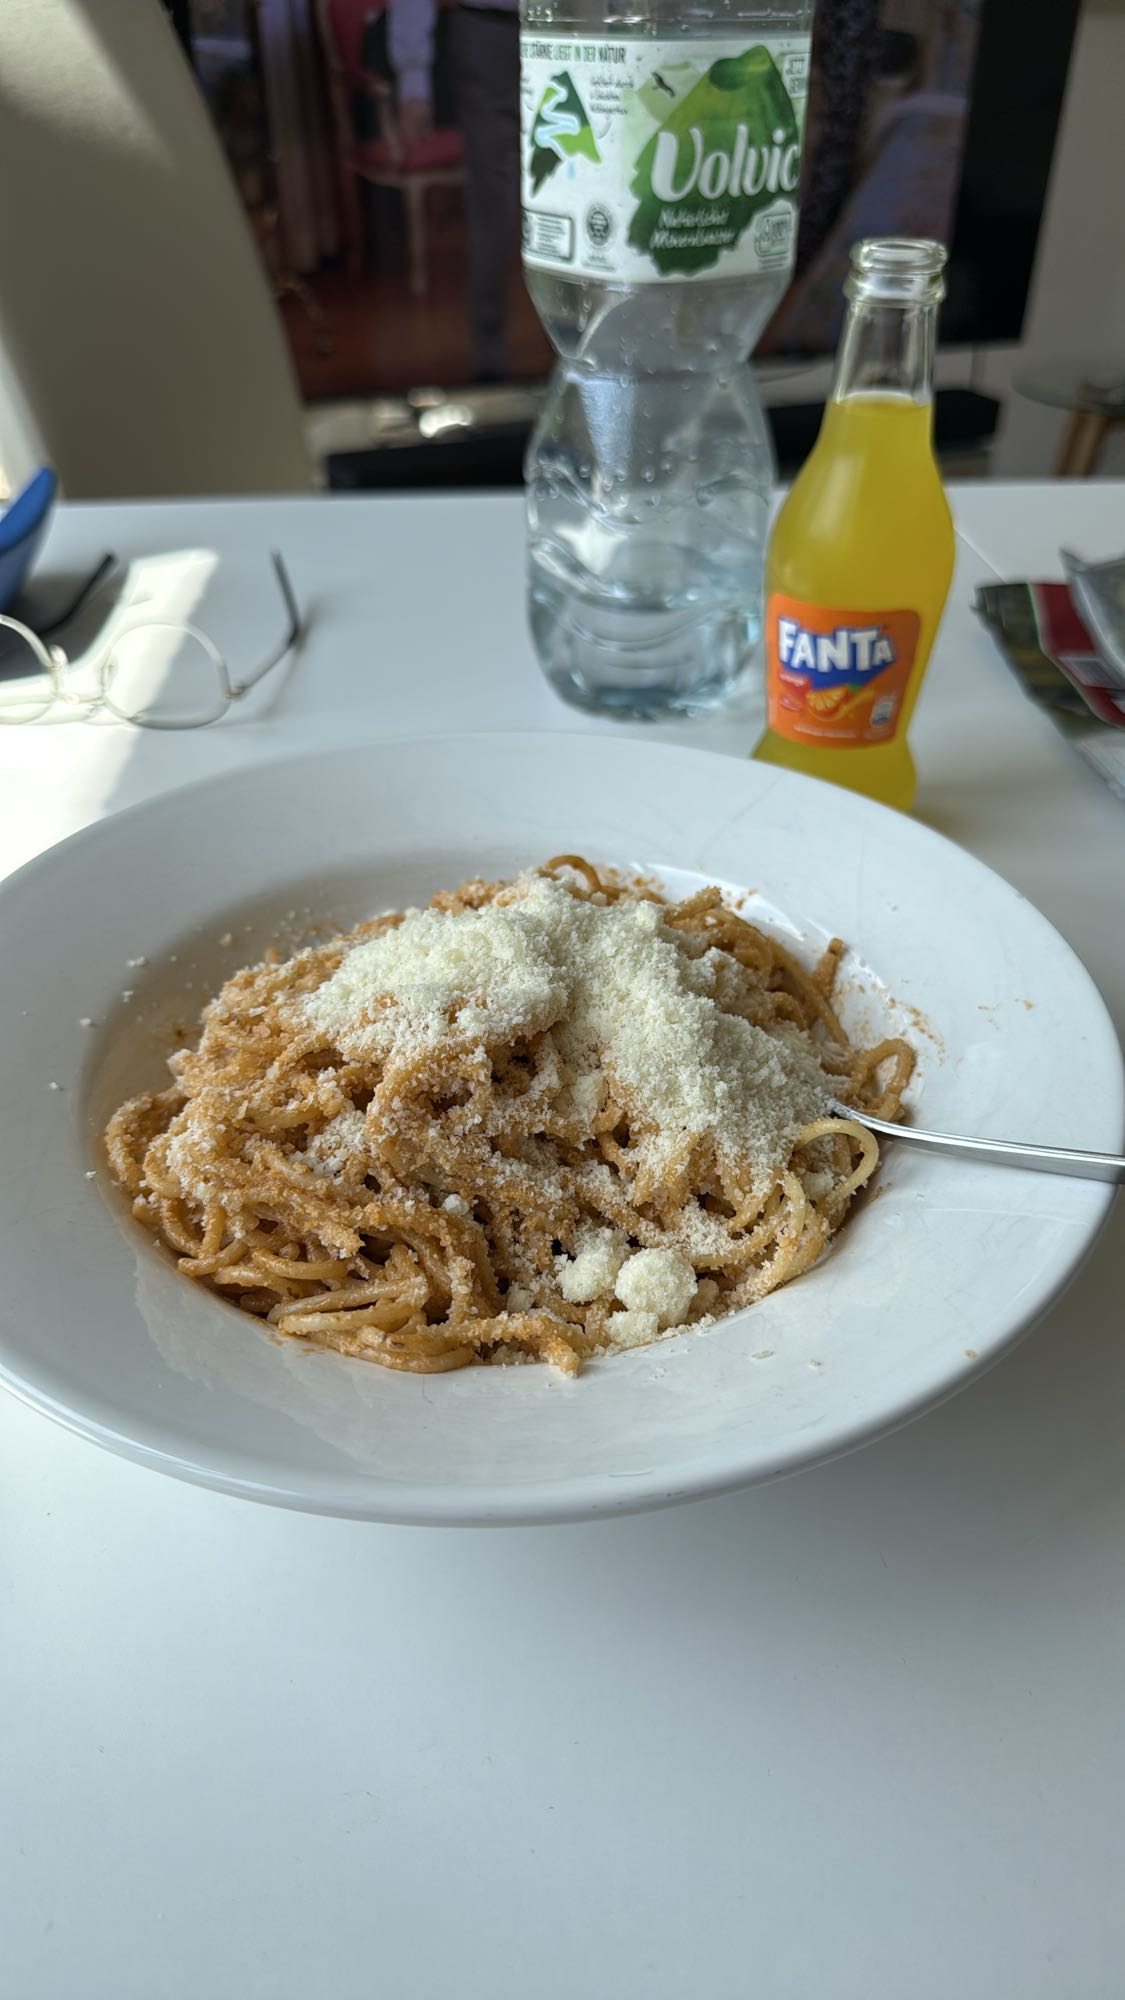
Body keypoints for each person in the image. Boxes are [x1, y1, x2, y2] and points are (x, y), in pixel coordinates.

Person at [388, 0, 519, 380]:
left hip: (576, 29)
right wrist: (413, 80)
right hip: (486, 32)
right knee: (492, 202)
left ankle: (581, 353)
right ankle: (490, 362)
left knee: (579, 193)